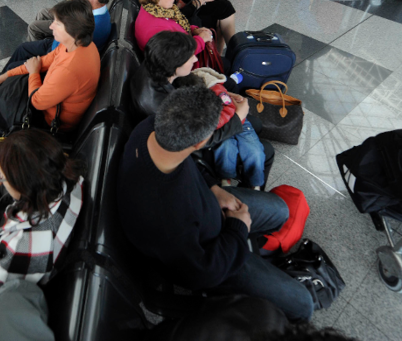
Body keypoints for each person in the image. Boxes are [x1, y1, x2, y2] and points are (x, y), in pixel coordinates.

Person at [117, 86, 314, 322]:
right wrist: (238, 229)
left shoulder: (153, 128)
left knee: (280, 210)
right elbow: (203, 273)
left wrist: (213, 187)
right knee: (303, 306)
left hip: (207, 205)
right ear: (201, 142)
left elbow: (189, 166)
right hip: (213, 251)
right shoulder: (167, 216)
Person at [0, 129, 83, 297]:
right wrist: (8, 170)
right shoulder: (65, 177)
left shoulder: (22, 245)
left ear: (22, 185)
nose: (0, 182)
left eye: (2, 178)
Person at [0, 0, 101, 132]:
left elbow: (36, 101)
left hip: (52, 123)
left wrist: (33, 73)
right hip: (52, 101)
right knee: (12, 76)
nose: (51, 26)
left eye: (57, 23)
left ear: (72, 31)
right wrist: (4, 76)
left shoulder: (69, 70)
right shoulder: (77, 43)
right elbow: (44, 61)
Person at [0, 0, 113, 71]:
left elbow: (63, 52)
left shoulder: (91, 25)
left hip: (54, 52)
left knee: (17, 59)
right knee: (23, 47)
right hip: (56, 46)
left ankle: (16, 72)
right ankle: (3, 76)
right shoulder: (100, 14)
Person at [134, 0, 213, 54]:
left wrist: (194, 30)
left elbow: (177, 26)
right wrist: (201, 40)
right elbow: (179, 56)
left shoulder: (154, 10)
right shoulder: (157, 29)